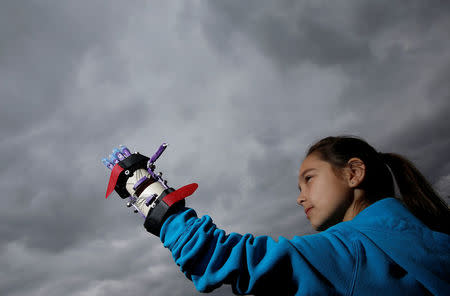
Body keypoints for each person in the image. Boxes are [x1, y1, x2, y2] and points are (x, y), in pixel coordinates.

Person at [102, 136, 450, 295]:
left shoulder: (352, 252)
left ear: (353, 173)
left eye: (309, 179)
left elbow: (224, 257)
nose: (300, 198)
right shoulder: (434, 239)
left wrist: (151, 196)